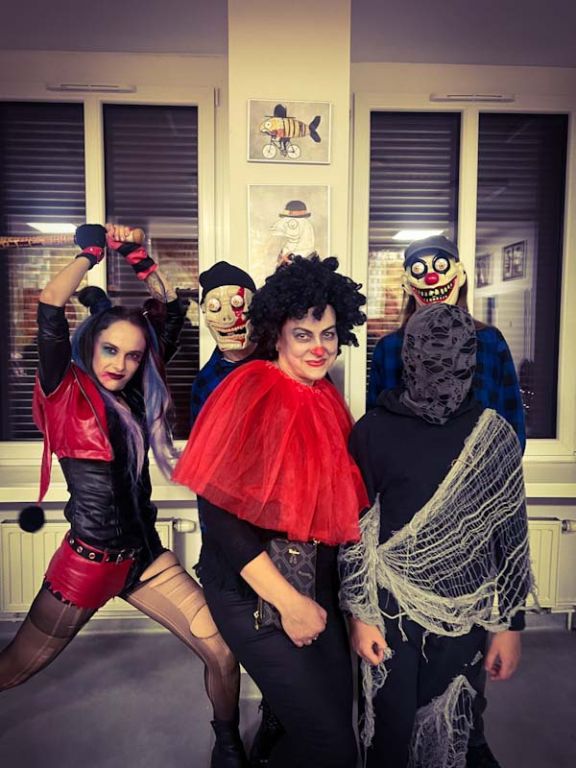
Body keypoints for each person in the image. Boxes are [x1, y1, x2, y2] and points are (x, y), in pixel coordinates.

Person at [0, 224, 248, 768]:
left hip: (144, 558)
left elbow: (168, 307)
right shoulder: (64, 390)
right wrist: (90, 253)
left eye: (133, 356)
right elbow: (50, 306)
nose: (120, 363)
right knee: (12, 670)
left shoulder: (135, 393)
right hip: (88, 565)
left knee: (221, 650)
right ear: (90, 345)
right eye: (110, 350)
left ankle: (228, 746)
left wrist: (138, 254)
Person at [173, 255, 368, 768]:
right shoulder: (248, 389)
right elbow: (219, 517)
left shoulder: (324, 395)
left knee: (331, 722)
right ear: (277, 335)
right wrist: (289, 603)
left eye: (328, 334)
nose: (319, 347)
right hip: (251, 590)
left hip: (313, 583)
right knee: (331, 744)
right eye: (303, 335)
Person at [340, 303, 532, 768]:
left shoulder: (492, 435)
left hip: (464, 613)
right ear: (409, 356)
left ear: (472, 361)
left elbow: (510, 534)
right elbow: (353, 532)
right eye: (431, 357)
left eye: (456, 358)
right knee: (389, 727)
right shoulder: (373, 432)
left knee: (454, 723)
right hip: (390, 612)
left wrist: (509, 626)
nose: (442, 370)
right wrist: (360, 616)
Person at [190, 260, 283, 767]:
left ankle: (275, 718)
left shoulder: (280, 365)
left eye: (238, 303)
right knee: (228, 642)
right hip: (226, 535)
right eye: (215, 306)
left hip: (280, 531)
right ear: (203, 314)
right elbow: (206, 470)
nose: (228, 316)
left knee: (279, 636)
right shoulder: (206, 381)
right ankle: (225, 738)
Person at [367, 235, 526, 452]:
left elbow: (511, 423)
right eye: (419, 270)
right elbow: (377, 425)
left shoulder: (490, 342)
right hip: (409, 467)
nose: (432, 278)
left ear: (459, 275)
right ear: (407, 284)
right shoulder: (388, 348)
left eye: (441, 266)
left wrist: (497, 466)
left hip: (478, 468)